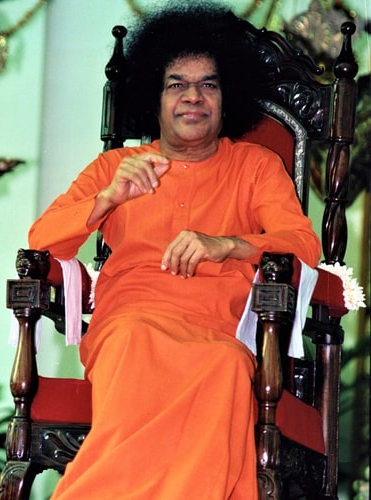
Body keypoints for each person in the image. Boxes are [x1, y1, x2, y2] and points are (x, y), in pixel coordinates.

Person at [27, 4, 320, 499]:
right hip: (129, 322)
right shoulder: (117, 166)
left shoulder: (255, 166)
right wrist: (106, 201)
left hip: (217, 329)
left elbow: (303, 245)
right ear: (153, 98)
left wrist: (228, 245)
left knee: (225, 367)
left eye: (208, 84)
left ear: (228, 99)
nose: (192, 98)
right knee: (136, 339)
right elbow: (41, 241)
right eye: (175, 84)